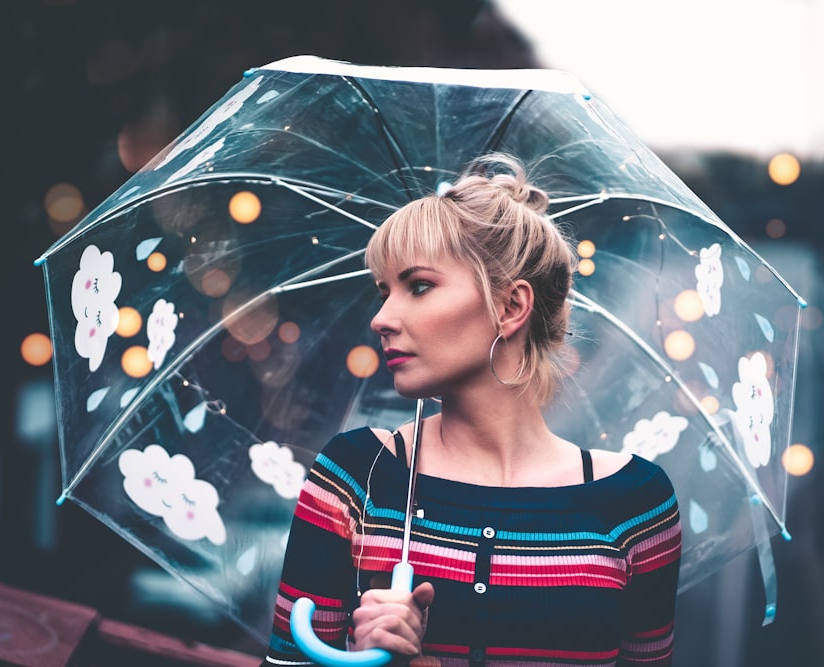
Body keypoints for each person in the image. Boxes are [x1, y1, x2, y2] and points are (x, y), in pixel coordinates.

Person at [263, 154, 682, 666]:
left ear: (510, 307)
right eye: (383, 291)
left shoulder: (635, 502)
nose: (381, 318)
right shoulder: (355, 477)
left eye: (418, 286)